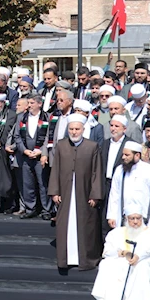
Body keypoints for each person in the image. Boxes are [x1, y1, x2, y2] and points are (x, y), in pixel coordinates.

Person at [48, 115, 104, 270]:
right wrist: (54, 191)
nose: (74, 132)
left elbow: (96, 172)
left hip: (84, 193)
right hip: (65, 193)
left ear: (83, 130)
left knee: (84, 225)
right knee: (66, 224)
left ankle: (85, 259)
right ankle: (66, 259)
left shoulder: (92, 146)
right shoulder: (61, 145)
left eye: (77, 129)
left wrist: (95, 194)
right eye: (71, 129)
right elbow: (56, 169)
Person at [91, 209, 150, 300]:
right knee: (106, 264)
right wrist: (121, 253)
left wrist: (137, 257)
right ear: (126, 219)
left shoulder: (147, 232)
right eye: (132, 218)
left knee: (139, 267)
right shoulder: (117, 232)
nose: (135, 222)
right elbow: (107, 251)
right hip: (121, 260)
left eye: (138, 218)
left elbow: (148, 249)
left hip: (142, 260)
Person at [106, 142, 150, 230]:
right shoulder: (119, 170)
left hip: (144, 220)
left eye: (127, 155)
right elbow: (114, 194)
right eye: (123, 154)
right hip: (123, 219)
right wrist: (111, 215)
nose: (123, 157)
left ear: (137, 155)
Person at [15, 94, 53, 220]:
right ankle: (30, 208)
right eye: (29, 103)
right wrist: (24, 150)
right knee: (27, 183)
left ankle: (46, 209)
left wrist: (41, 151)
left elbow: (49, 137)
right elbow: (17, 137)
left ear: (39, 104)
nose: (29, 106)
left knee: (43, 183)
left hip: (40, 156)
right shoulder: (21, 117)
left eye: (32, 103)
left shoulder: (47, 117)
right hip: (26, 155)